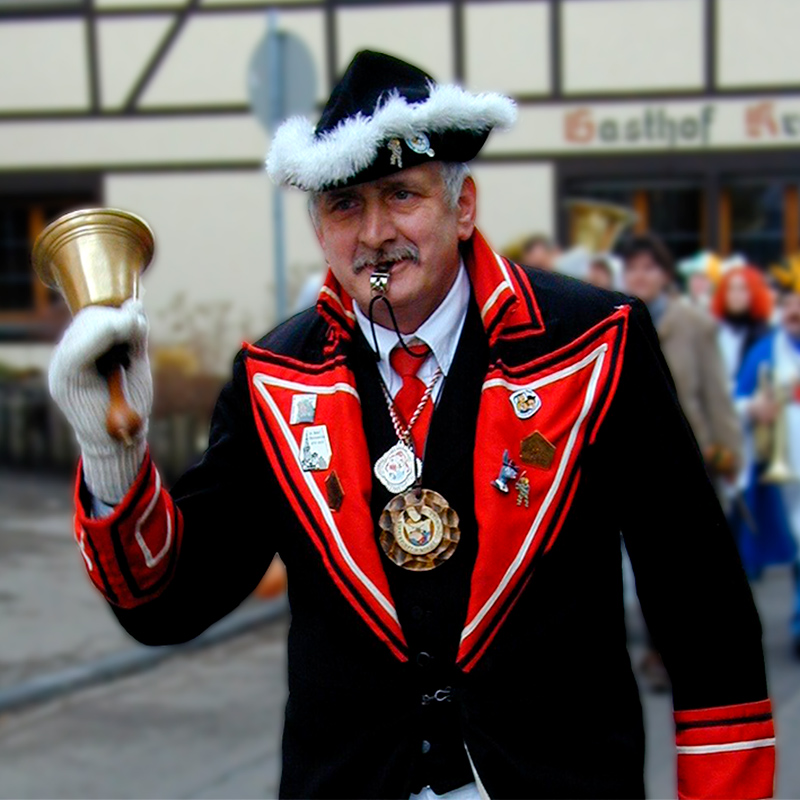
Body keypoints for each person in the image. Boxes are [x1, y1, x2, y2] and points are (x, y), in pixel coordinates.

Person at [49, 52, 774, 799]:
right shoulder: (273, 375)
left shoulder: (594, 340)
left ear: (462, 208)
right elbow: (170, 603)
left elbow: (699, 598)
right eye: (343, 205)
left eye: (401, 194)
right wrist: (112, 452)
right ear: (318, 226)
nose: (372, 233)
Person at [622, 234, 742, 490]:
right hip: (631, 460)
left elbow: (716, 395)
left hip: (690, 455)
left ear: (665, 275)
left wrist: (729, 454)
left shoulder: (694, 324)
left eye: (649, 268)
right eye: (631, 268)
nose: (639, 276)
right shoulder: (614, 325)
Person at [735, 261, 800, 639]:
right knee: (794, 545)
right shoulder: (763, 352)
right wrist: (752, 408)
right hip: (780, 469)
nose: (794, 311)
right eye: (789, 302)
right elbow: (735, 402)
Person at [712, 263, 774, 388]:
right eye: (731, 289)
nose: (735, 295)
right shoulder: (713, 329)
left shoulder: (763, 334)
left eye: (742, 289)